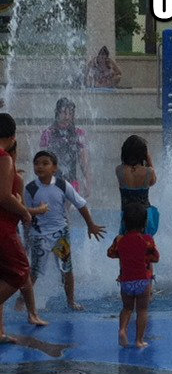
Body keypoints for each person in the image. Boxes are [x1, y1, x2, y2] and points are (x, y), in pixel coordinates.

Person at [23, 151, 105, 310]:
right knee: (34, 271)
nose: (40, 166)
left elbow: (80, 204)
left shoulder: (62, 185)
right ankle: (22, 301)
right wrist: (26, 241)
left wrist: (91, 225)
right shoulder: (31, 188)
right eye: (37, 163)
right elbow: (25, 214)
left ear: (54, 168)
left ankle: (71, 301)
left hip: (60, 234)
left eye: (45, 163)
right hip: (39, 235)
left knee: (66, 269)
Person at [6, 142, 48, 327]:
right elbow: (22, 210)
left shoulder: (13, 176)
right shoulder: (16, 178)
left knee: (19, 273)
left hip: (9, 230)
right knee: (23, 272)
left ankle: (28, 313)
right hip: (8, 231)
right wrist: (38, 210)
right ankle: (31, 313)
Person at [0, 114, 35, 343]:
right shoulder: (4, 158)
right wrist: (24, 211)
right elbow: (2, 197)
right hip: (3, 227)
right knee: (20, 271)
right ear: (12, 137)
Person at [107, 203, 160, 348]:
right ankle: (139, 340)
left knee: (127, 308)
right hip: (143, 281)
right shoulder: (147, 240)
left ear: (125, 222)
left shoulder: (120, 240)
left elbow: (110, 253)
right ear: (144, 223)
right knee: (142, 310)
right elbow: (155, 257)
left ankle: (123, 330)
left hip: (126, 282)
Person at [40, 98, 93, 197]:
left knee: (65, 211)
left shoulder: (78, 134)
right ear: (57, 113)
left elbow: (84, 161)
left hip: (71, 183)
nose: (67, 117)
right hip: (51, 182)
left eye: (71, 113)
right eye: (64, 113)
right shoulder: (48, 133)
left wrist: (88, 182)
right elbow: (41, 161)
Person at [116, 135, 158, 235]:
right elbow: (153, 181)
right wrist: (149, 160)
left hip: (127, 215)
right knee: (146, 244)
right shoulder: (149, 172)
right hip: (145, 216)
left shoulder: (119, 170)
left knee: (127, 244)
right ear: (143, 154)